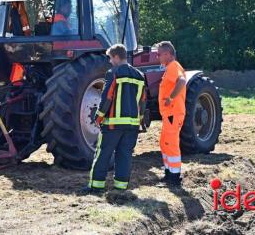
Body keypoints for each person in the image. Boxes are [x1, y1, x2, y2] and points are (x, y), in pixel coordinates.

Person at [80, 44, 146, 194]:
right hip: (132, 125)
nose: (110, 61)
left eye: (110, 58)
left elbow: (107, 97)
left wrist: (99, 117)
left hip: (113, 124)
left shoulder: (113, 73)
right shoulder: (139, 75)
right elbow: (142, 101)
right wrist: (140, 119)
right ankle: (120, 187)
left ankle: (96, 186)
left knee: (103, 153)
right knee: (125, 155)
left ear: (116, 57)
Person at [156, 41, 186, 186]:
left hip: (173, 113)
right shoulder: (170, 68)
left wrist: (170, 98)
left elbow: (181, 81)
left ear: (168, 54)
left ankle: (174, 178)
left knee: (171, 144)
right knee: (164, 143)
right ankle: (169, 174)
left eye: (159, 54)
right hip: (169, 114)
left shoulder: (173, 66)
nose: (157, 57)